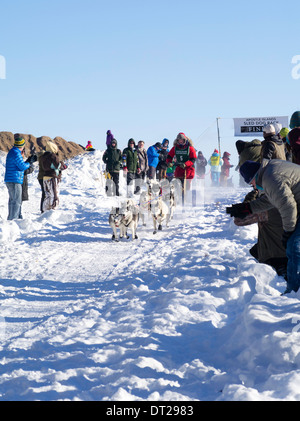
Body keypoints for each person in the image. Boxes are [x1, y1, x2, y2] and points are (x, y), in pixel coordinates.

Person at [228, 159, 300, 294]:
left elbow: (288, 207)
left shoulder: (270, 178)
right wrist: (248, 208)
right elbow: (272, 199)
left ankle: (294, 291)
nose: (254, 188)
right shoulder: (269, 171)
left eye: (252, 184)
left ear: (254, 177)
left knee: (293, 246)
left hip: (296, 207)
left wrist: (288, 231)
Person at [4, 136, 31, 220]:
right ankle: (14, 219)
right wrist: (29, 162)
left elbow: (17, 164)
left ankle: (11, 218)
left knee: (12, 200)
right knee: (17, 201)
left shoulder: (12, 152)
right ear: (22, 146)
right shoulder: (16, 153)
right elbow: (22, 166)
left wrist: (21, 157)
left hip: (10, 179)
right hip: (15, 180)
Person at [39, 141, 66, 212]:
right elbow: (57, 165)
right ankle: (53, 211)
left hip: (45, 177)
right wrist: (63, 164)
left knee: (47, 195)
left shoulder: (43, 156)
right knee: (54, 195)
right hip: (52, 177)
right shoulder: (53, 156)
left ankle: (45, 211)